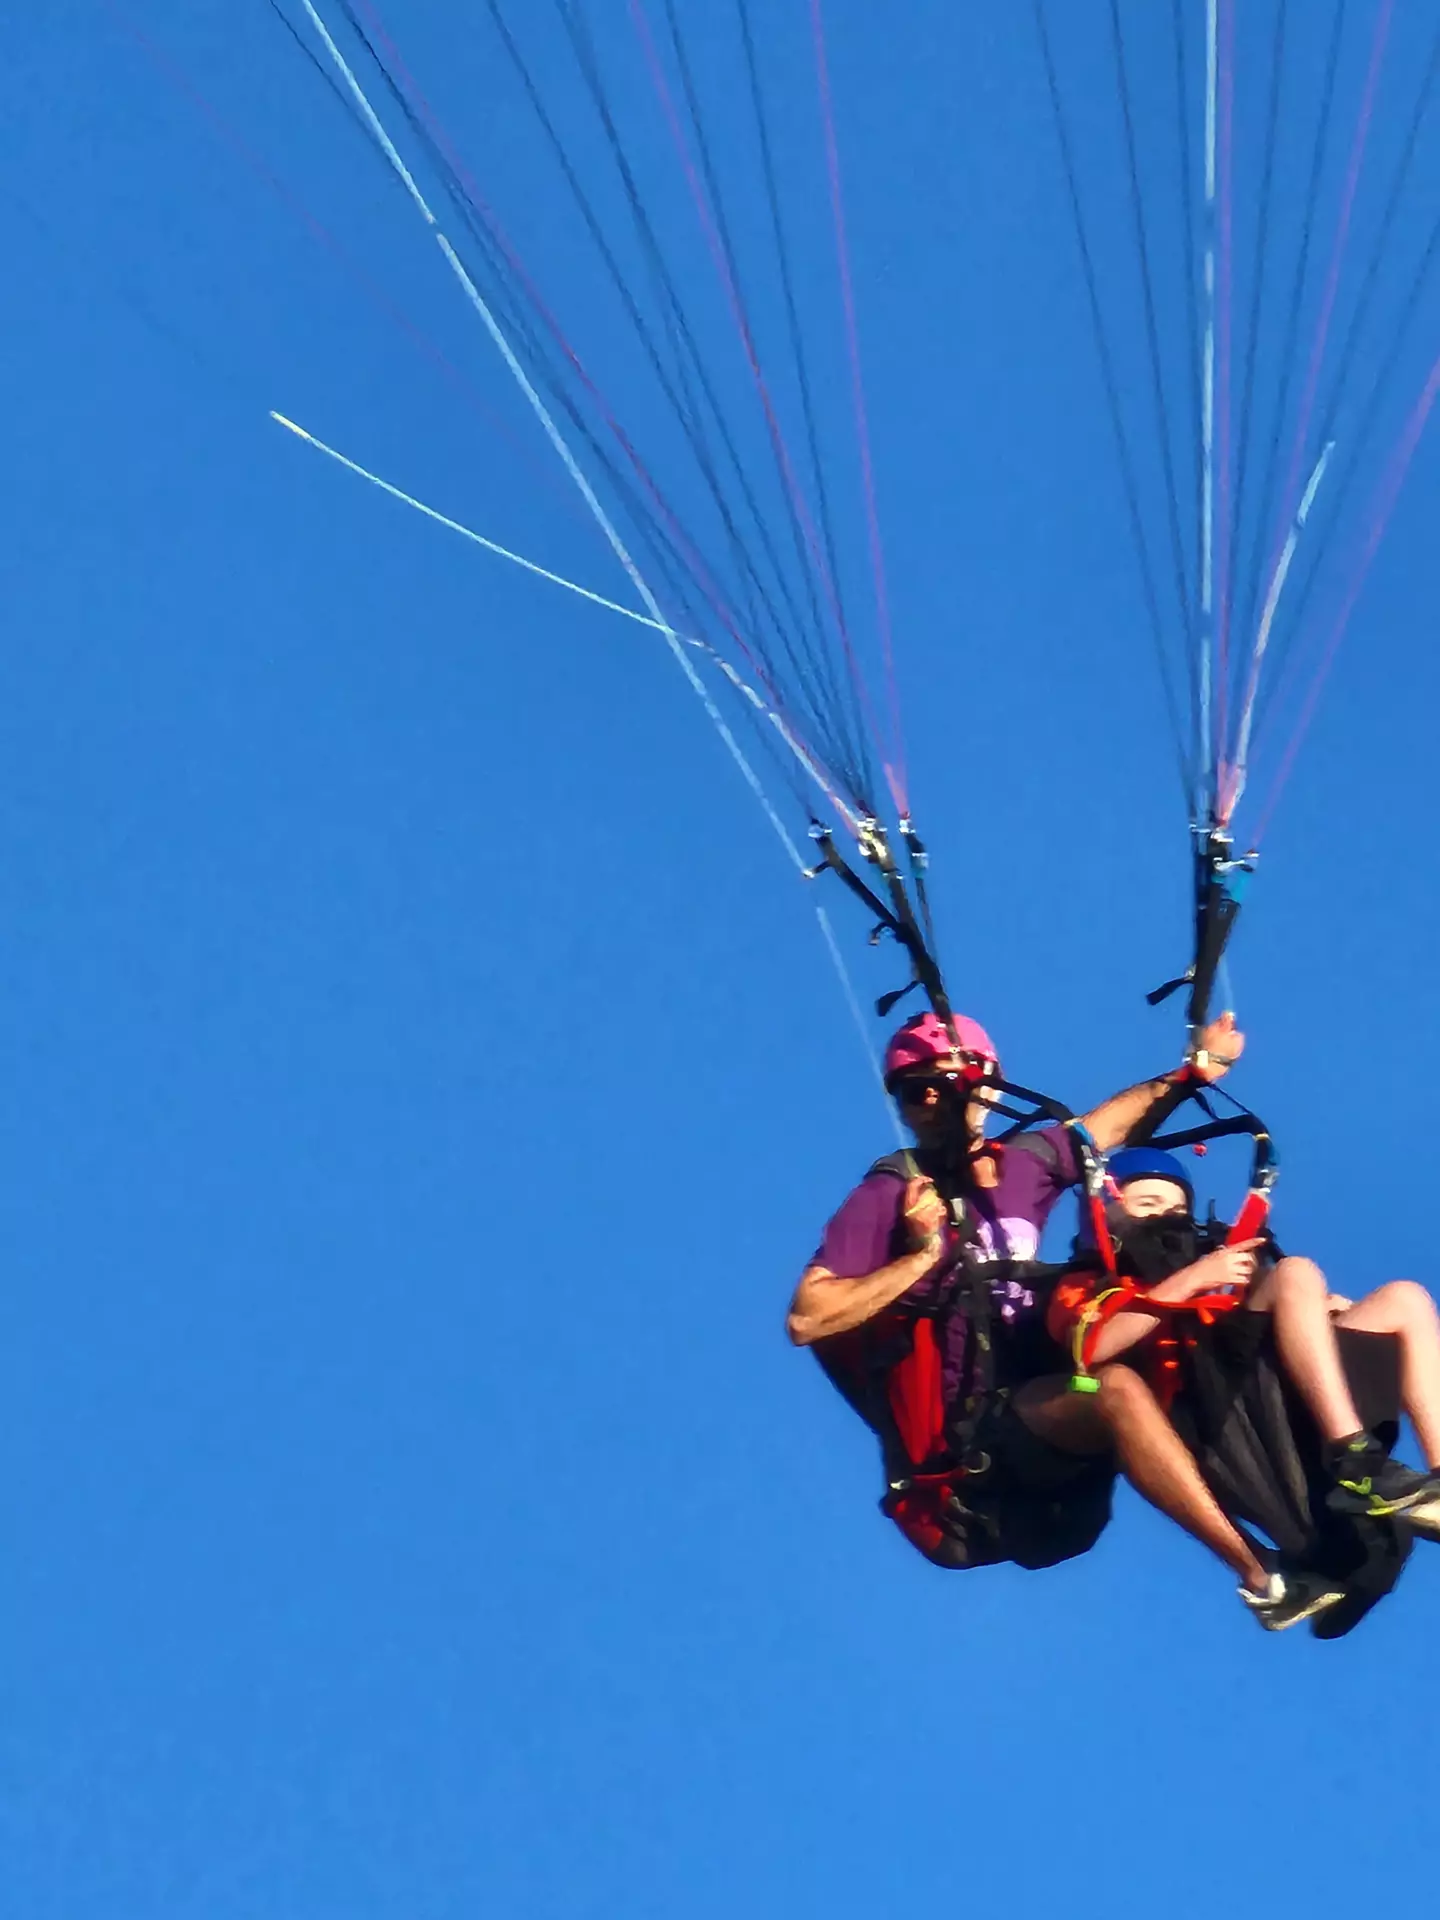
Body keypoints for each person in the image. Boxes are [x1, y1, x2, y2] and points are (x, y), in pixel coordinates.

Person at [786, 1007, 1249, 1578]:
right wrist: (921, 1256)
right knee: (1118, 1390)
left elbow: (1100, 1129)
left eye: (940, 1086)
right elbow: (807, 1317)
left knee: (1168, 1317)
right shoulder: (892, 1191)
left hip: (1047, 1446)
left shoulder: (1025, 1165)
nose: (929, 1104)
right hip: (966, 1474)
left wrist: (1191, 1074)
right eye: (912, 1093)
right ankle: (1258, 1574)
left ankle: (1319, 1490)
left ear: (985, 1087)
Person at [1045, 1148, 1440, 1629]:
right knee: (1295, 1273)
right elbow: (1093, 1347)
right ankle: (1353, 1457)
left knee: (1404, 1299)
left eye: (1175, 1209)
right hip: (1199, 1400)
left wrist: (1320, 1313)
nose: (1166, 1219)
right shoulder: (1089, 1281)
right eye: (1147, 1205)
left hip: (1251, 1368)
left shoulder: (1217, 1262)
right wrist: (1192, 1281)